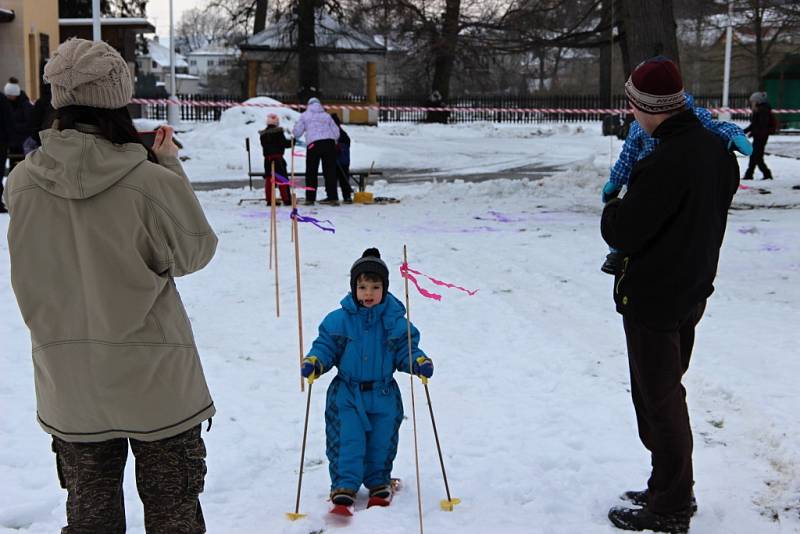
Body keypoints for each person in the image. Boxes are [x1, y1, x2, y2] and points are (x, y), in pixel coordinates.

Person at [3, 38, 217, 533]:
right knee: (173, 512)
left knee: (90, 512)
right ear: (117, 99)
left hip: (69, 378)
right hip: (155, 377)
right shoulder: (149, 181)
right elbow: (194, 252)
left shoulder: (21, 183)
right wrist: (169, 167)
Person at [601, 56, 739, 533]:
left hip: (656, 298)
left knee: (659, 401)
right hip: (691, 291)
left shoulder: (663, 161)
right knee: (662, 395)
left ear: (648, 107)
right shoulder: (716, 152)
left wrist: (612, 209)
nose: (631, 115)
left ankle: (671, 505)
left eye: (633, 106)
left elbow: (627, 229)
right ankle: (666, 485)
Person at [301, 248, 434, 508]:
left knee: (382, 441)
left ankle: (378, 482)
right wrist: (315, 361)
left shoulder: (395, 322)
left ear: (385, 288)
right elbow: (326, 346)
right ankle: (344, 485)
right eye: (363, 287)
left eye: (375, 287)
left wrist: (418, 362)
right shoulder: (339, 320)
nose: (369, 293)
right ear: (354, 288)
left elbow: (406, 350)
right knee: (347, 438)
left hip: (384, 393)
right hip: (347, 393)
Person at [600, 92, 752, 275]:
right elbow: (627, 159)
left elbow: (720, 127)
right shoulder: (638, 129)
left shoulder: (697, 121)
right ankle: (616, 255)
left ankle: (623, 253)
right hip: (647, 184)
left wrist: (734, 136)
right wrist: (615, 182)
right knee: (637, 222)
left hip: (677, 181)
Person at [292, 97, 341, 206]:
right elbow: (337, 133)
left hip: (313, 145)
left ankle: (310, 198)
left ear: (308, 105)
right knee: (330, 172)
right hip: (329, 144)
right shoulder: (326, 116)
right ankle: (333, 198)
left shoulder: (305, 115)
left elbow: (297, 133)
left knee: (311, 172)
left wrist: (295, 127)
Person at [1, 77, 33, 212]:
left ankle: (22, 199)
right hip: (11, 141)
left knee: (22, 172)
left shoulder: (25, 105)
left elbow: (28, 123)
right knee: (13, 174)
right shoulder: (5, 102)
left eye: (10, 96)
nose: (8, 97)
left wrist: (16, 130)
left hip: (22, 142)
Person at [259, 112, 292, 205]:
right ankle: (286, 199)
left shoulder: (263, 135)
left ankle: (269, 200)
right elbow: (284, 143)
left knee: (269, 179)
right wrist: (292, 142)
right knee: (281, 179)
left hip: (267, 159)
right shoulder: (278, 132)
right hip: (278, 159)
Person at [742, 91, 775, 181]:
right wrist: (744, 131)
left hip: (761, 137)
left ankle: (764, 174)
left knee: (756, 156)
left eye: (752, 101)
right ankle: (752, 174)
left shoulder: (763, 111)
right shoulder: (759, 110)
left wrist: (752, 132)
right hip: (759, 136)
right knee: (756, 156)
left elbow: (761, 125)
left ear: (757, 101)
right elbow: (754, 125)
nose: (751, 103)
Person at [330, 112, 353, 204]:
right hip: (335, 161)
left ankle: (347, 196)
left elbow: (345, 146)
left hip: (341, 161)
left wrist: (338, 148)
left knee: (343, 179)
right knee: (333, 180)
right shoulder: (334, 132)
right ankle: (333, 196)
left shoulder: (341, 134)